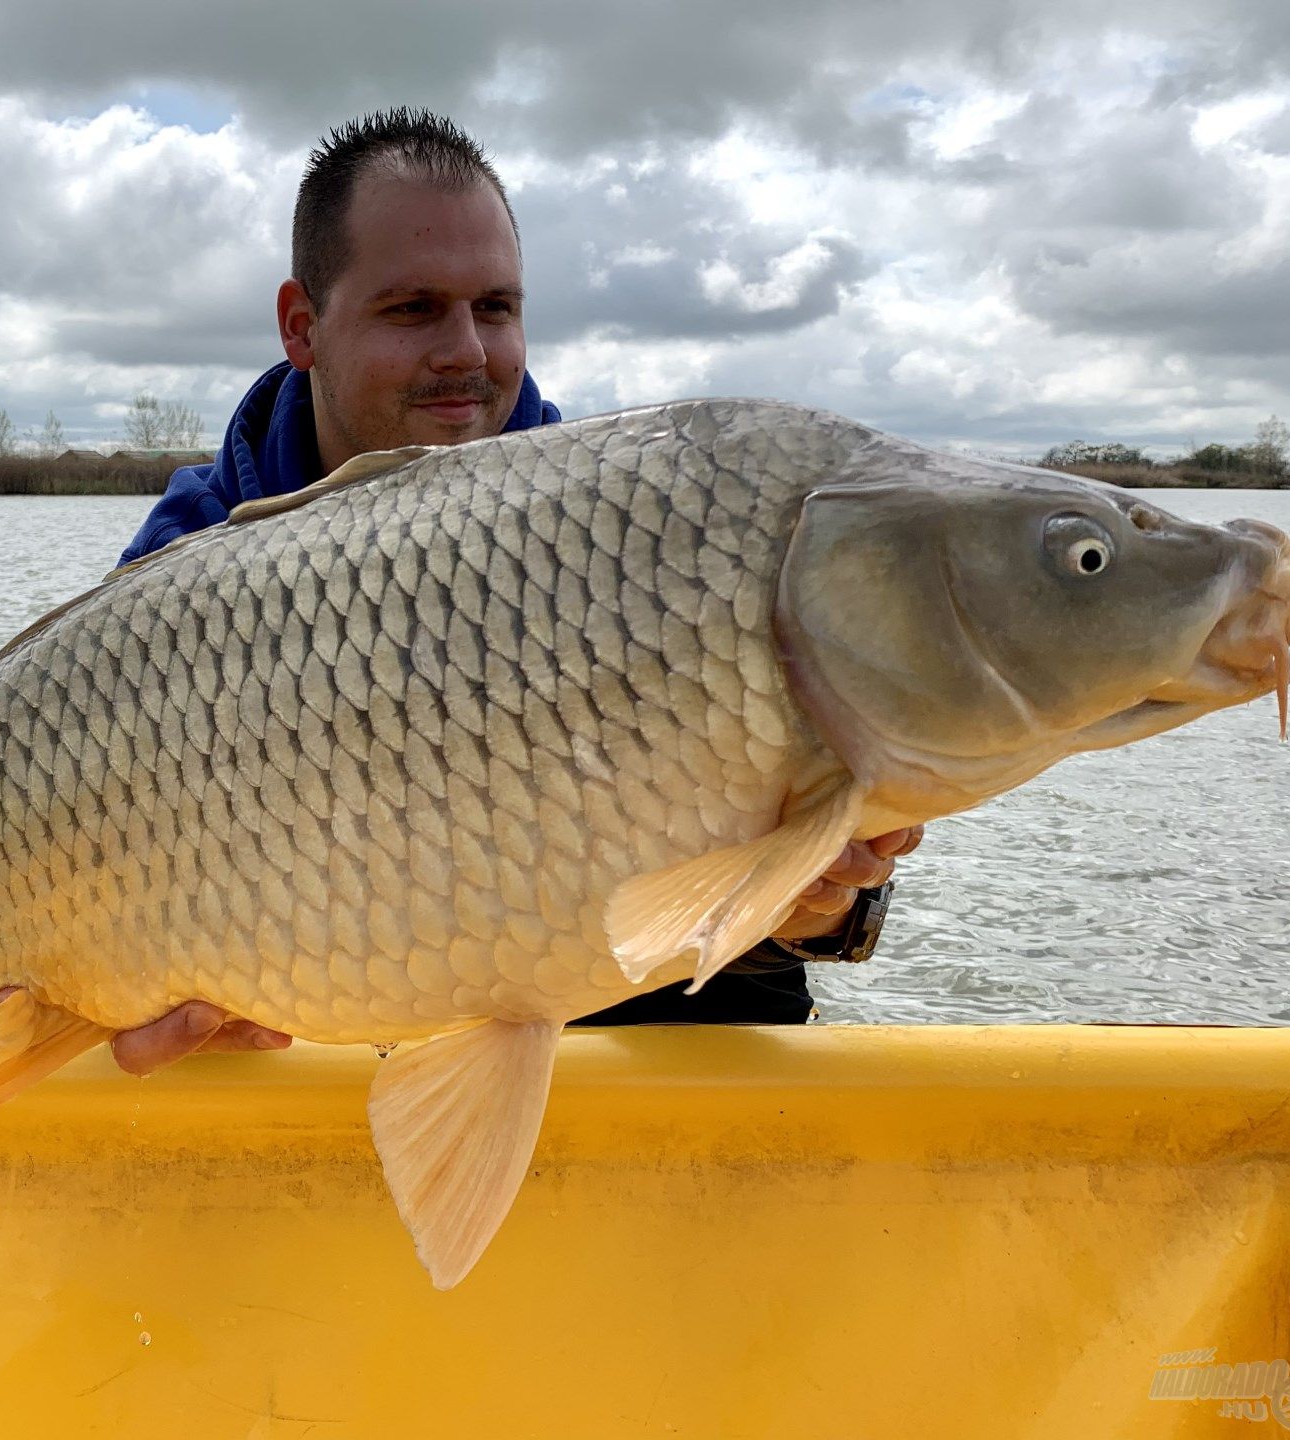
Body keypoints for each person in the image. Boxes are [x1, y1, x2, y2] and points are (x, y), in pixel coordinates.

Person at [106, 109, 921, 1077]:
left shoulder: (631, 535)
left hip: (574, 1046)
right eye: (414, 310)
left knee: (732, 980)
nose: (469, 352)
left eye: (495, 308)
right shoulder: (182, 568)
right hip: (305, 1056)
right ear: (302, 325)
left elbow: (799, 884)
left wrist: (826, 904)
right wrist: (124, 1007)